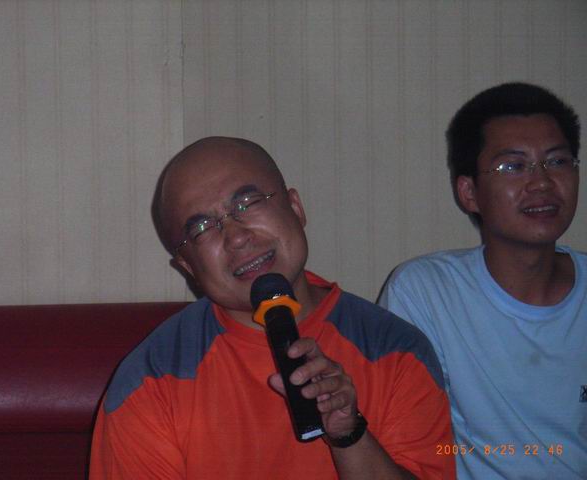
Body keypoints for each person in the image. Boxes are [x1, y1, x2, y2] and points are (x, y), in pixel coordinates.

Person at [90, 137, 455, 479]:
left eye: (247, 204)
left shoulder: (395, 350)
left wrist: (350, 436)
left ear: (296, 208)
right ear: (188, 267)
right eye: (202, 228)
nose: (236, 236)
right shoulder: (150, 380)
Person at [379, 82, 586, 479]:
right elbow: (404, 439)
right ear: (469, 192)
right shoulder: (426, 292)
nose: (542, 182)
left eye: (558, 161)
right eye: (513, 166)